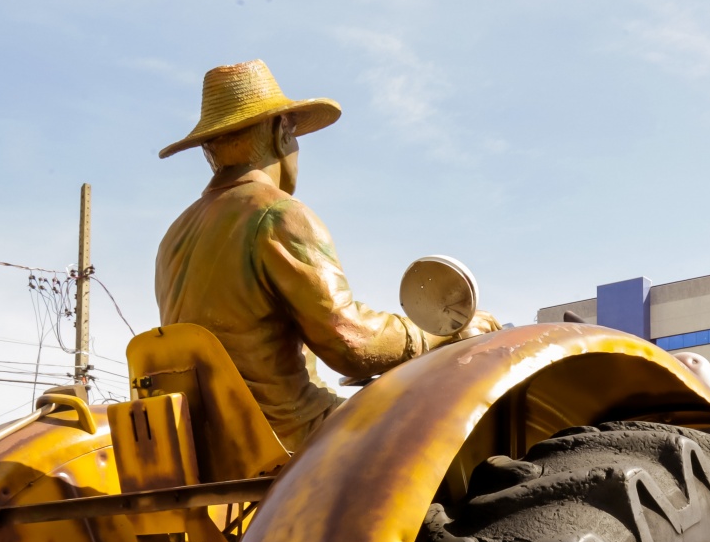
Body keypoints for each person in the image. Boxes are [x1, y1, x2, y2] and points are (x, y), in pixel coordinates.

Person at [156, 61, 496, 450]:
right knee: (445, 431)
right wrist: (443, 332)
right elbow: (351, 342)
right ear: (281, 132)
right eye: (295, 133)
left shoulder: (173, 238)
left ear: (209, 151)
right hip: (290, 435)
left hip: (211, 446)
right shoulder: (277, 214)